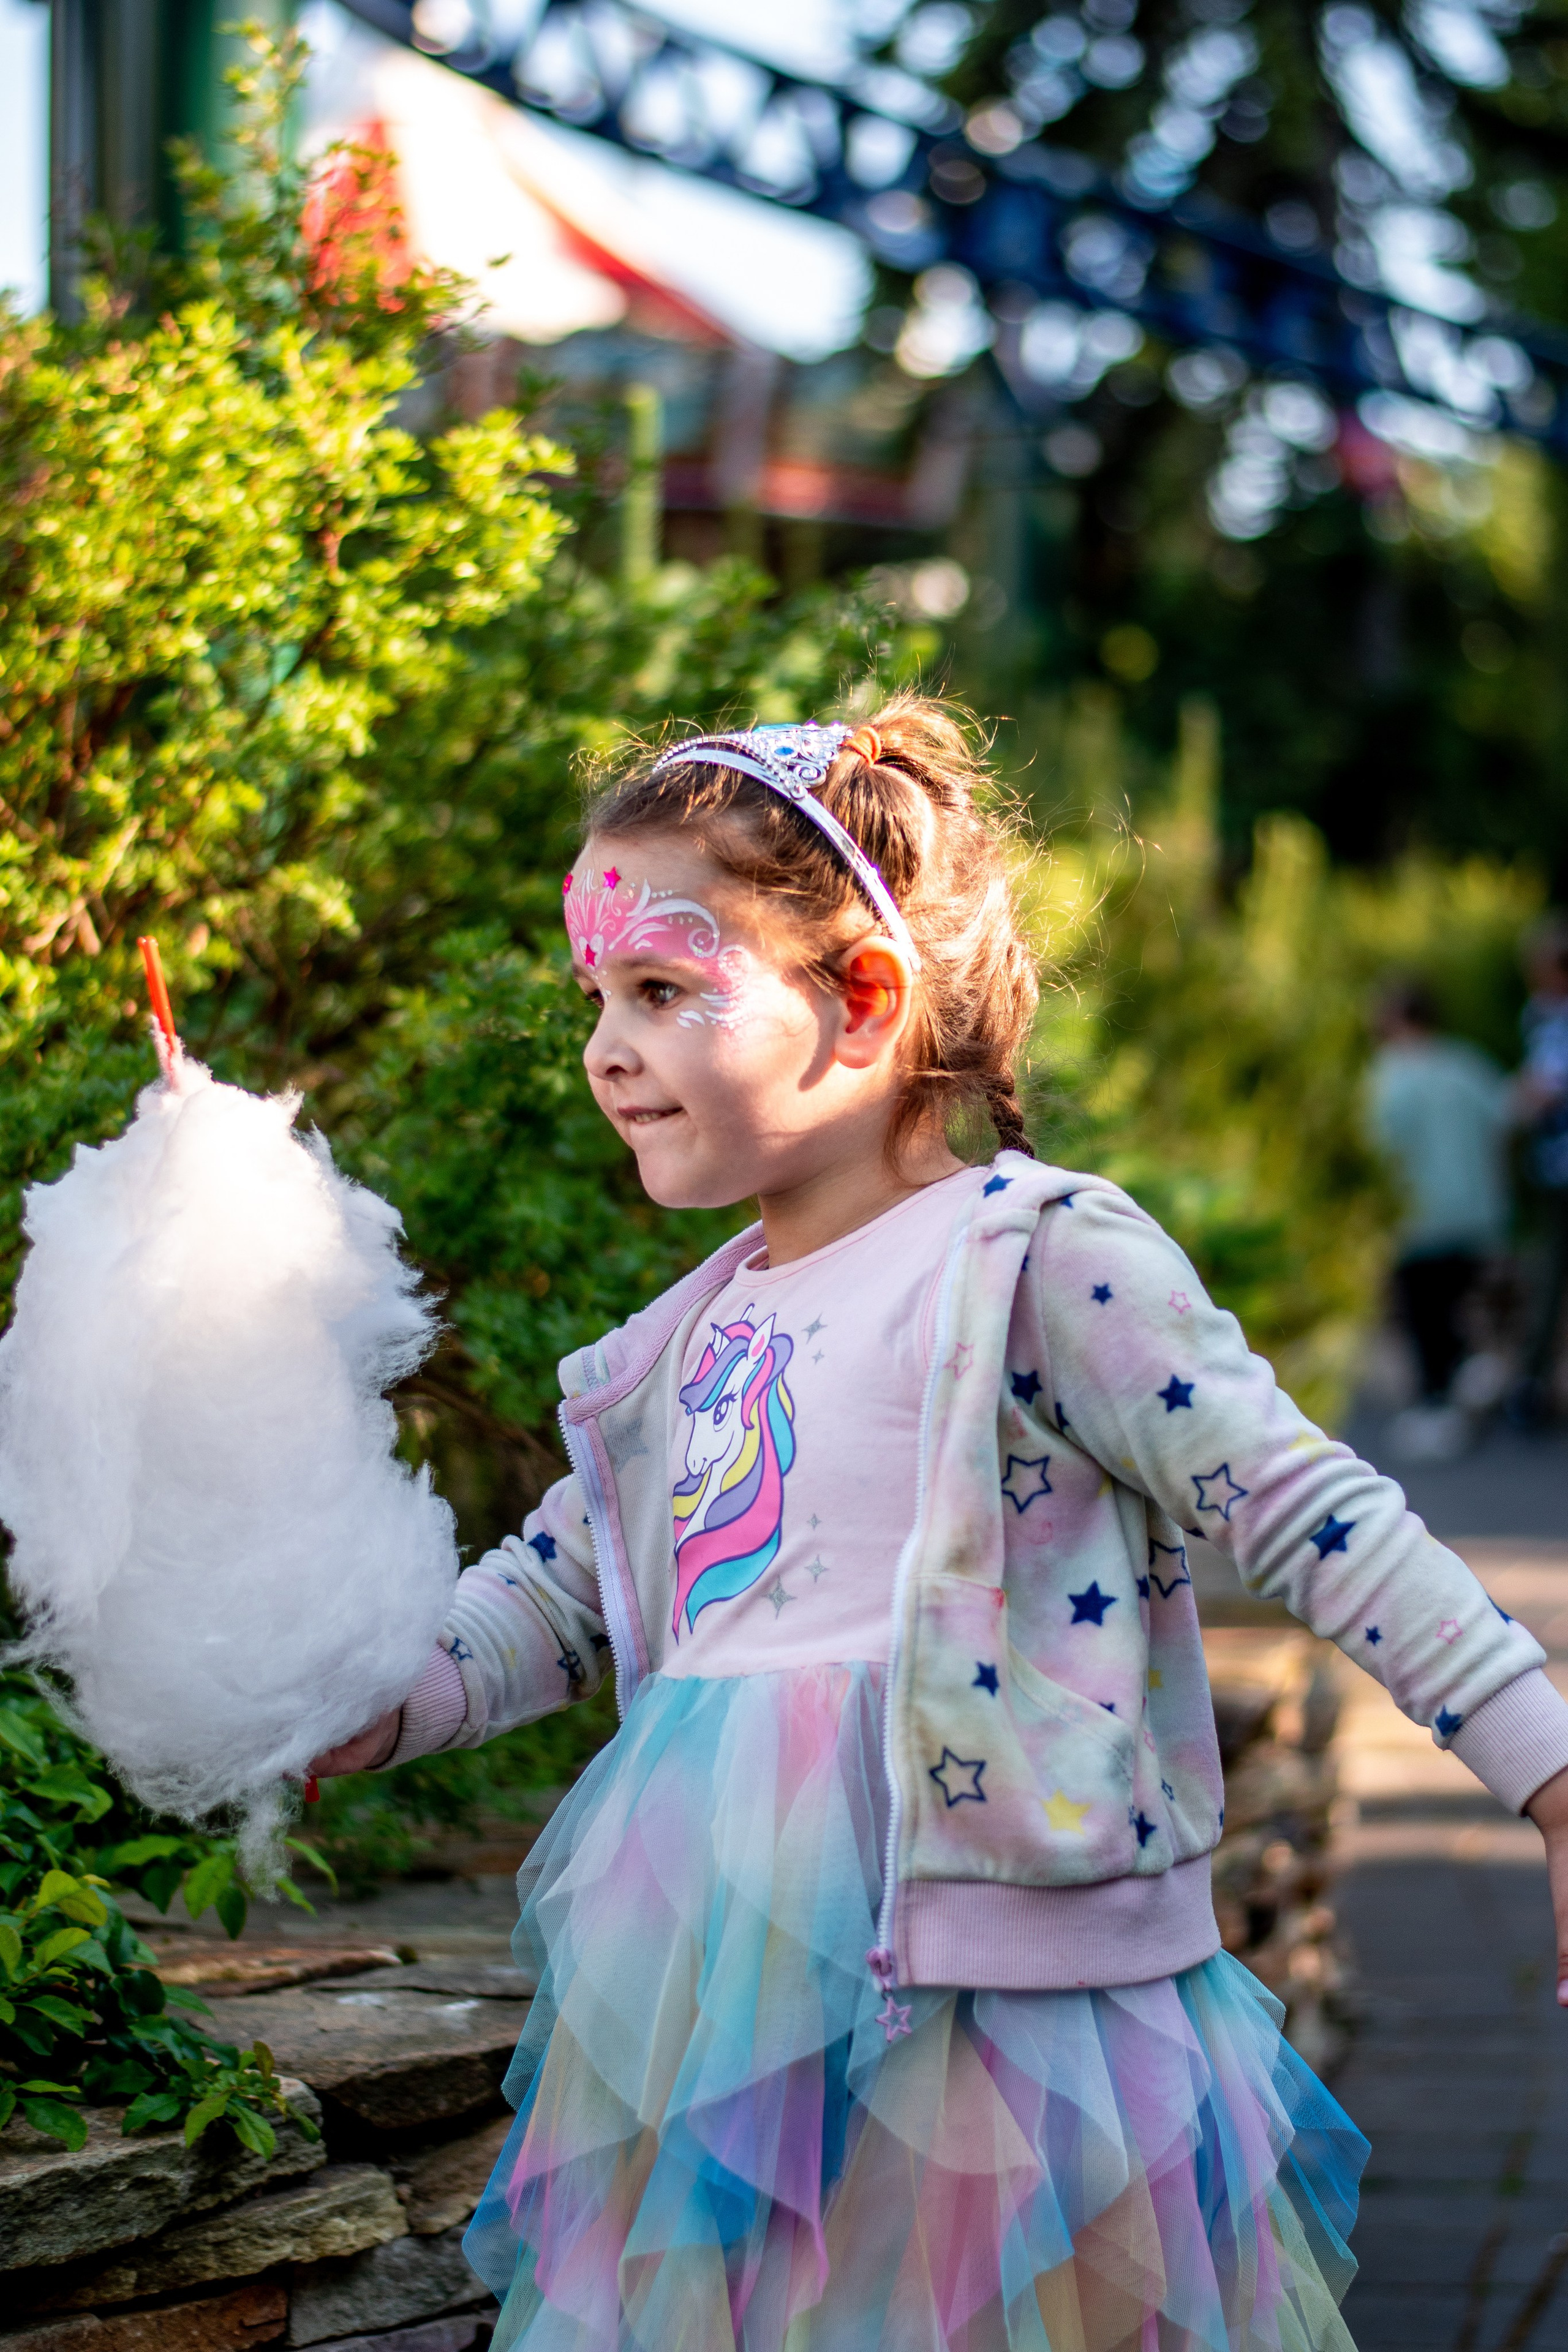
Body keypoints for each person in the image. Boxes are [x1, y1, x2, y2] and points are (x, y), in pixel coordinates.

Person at [312, 697, 1568, 2352]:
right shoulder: (691, 1335)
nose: (607, 1049)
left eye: (665, 991)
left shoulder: (1034, 1261)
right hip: (715, 1994)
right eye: (599, 1000)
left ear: (865, 1003)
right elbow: (551, 1600)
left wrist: (1548, 1768)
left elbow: (1312, 1511)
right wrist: (363, 1705)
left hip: (1004, 2004)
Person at [1365, 977, 1510, 1459]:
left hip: (1416, 1221)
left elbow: (1373, 1147)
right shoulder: (1466, 1065)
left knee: (1422, 1320)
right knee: (1458, 1307)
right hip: (1473, 1214)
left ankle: (1439, 1408)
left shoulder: (1386, 1078)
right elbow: (1508, 1116)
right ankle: (1475, 1368)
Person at [1510, 920, 1568, 1428]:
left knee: (1549, 1278)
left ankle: (1532, 1386)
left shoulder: (1553, 1020)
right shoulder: (1542, 1015)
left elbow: (1542, 1089)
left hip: (1558, 1167)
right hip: (1553, 1166)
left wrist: (1516, 1106)